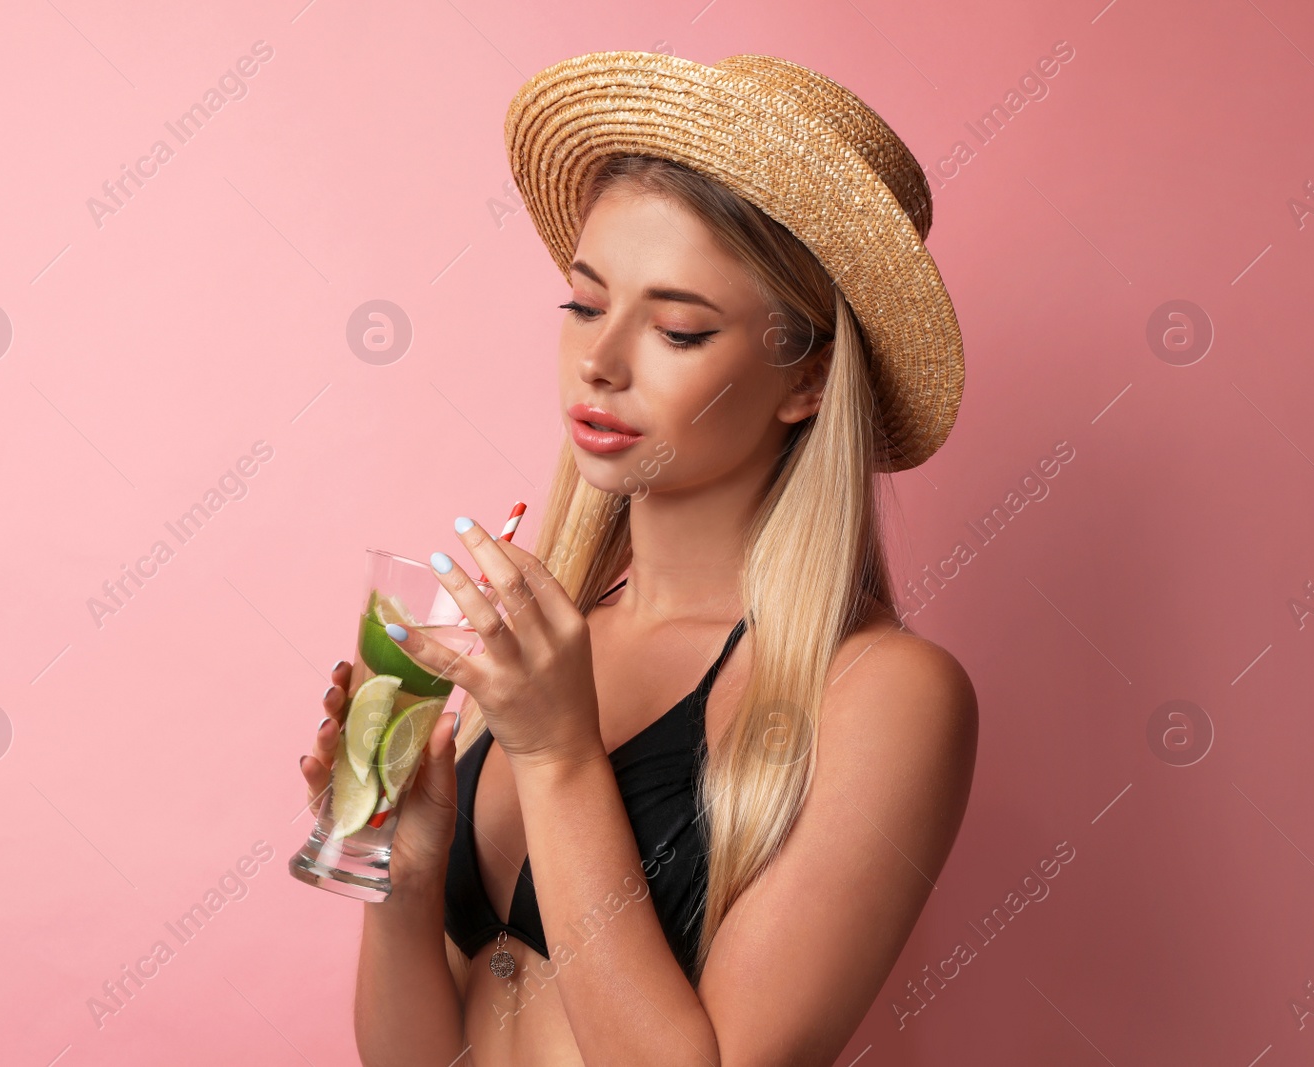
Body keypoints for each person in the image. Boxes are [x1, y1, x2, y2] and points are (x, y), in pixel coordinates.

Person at [300, 49, 978, 1065]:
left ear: (806, 380)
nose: (600, 360)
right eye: (583, 303)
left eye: (676, 327)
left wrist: (559, 752)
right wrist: (401, 876)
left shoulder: (884, 694)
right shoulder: (540, 645)